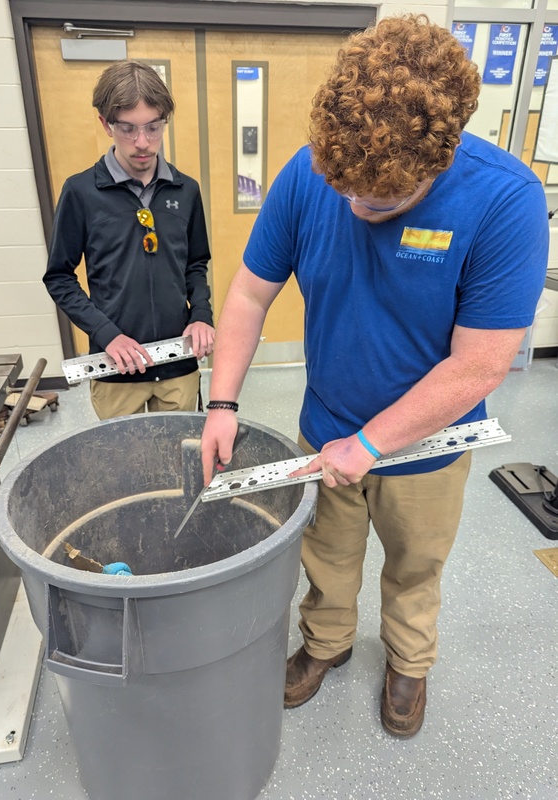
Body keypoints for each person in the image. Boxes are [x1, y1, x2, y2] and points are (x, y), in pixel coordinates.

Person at [201, 14, 549, 738]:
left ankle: (407, 664)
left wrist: (371, 444)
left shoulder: (506, 201)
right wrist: (223, 401)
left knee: (415, 564)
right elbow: (248, 294)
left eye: (381, 202)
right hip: (326, 421)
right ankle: (324, 646)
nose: (356, 207)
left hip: (428, 445)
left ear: (442, 157)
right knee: (325, 555)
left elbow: (479, 364)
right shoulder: (309, 172)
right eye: (344, 189)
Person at [44, 61, 214, 419]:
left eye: (153, 128)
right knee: (126, 470)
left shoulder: (186, 191)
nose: (142, 143)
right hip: (116, 370)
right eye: (128, 129)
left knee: (178, 462)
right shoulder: (81, 192)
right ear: (106, 124)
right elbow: (59, 277)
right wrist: (107, 334)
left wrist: (200, 315)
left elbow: (195, 265)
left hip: (178, 366)